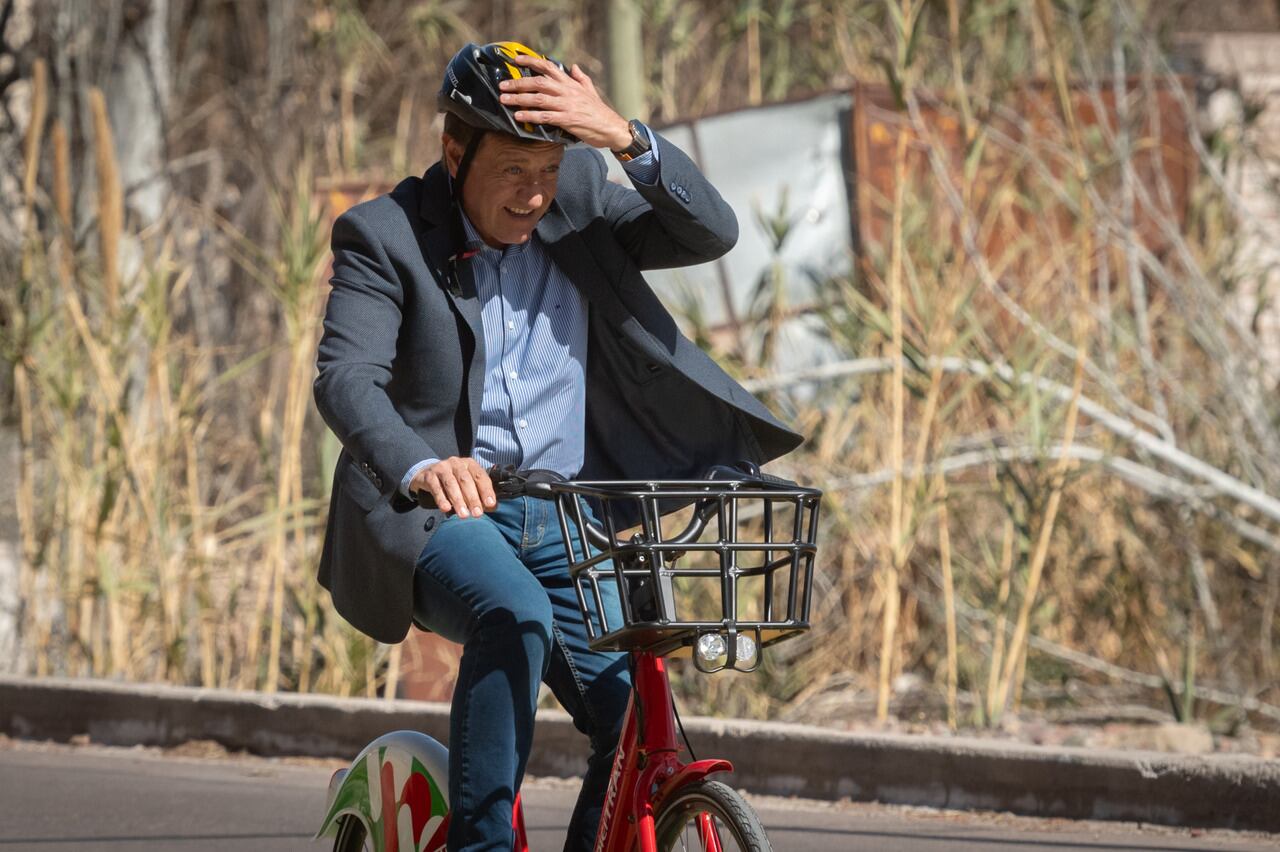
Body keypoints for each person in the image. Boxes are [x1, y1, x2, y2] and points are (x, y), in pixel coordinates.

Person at [313, 40, 802, 851]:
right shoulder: (384, 235)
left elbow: (711, 230)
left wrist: (624, 139)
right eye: (512, 170)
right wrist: (425, 465)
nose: (534, 195)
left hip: (570, 518)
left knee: (632, 718)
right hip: (444, 511)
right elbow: (346, 379)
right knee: (513, 612)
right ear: (453, 149)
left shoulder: (580, 193)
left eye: (547, 169)